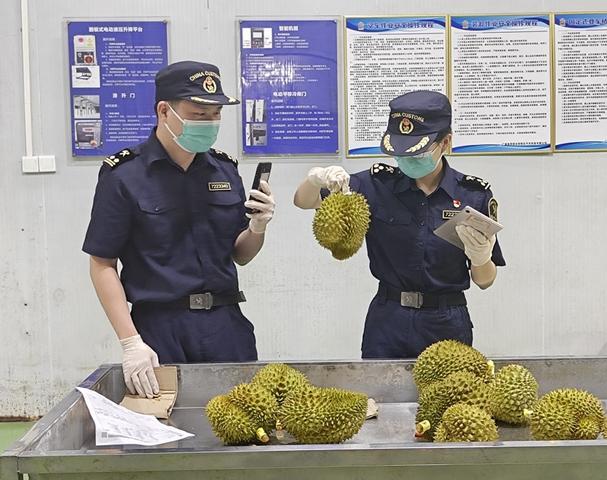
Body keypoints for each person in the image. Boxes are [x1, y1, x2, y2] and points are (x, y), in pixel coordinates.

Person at [83, 61, 275, 397]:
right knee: (164, 432)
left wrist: (258, 227)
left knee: (241, 427)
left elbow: (240, 254)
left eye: (215, 114)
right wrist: (131, 343)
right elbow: (102, 264)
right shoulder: (124, 176)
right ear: (164, 111)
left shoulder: (224, 171)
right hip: (160, 328)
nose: (209, 123)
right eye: (199, 114)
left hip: (226, 324)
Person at [294, 90, 505, 359]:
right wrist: (316, 179)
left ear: (446, 143)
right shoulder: (376, 185)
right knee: (381, 398)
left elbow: (485, 281)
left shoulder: (472, 195)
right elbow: (303, 201)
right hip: (388, 318)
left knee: (449, 398)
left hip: (446, 321)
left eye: (417, 152)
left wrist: (480, 257)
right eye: (402, 152)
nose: (408, 160)